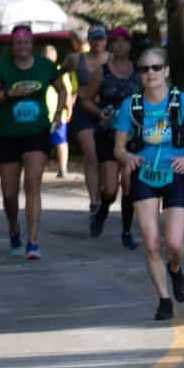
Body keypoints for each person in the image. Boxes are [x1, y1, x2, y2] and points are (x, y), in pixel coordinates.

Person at [114, 48, 184, 320]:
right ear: (139, 74)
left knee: (174, 244)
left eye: (156, 67)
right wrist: (128, 157)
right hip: (145, 174)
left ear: (166, 70)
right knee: (152, 242)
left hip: (176, 173)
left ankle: (176, 270)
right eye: (145, 69)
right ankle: (164, 299)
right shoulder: (131, 106)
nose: (151, 73)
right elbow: (118, 148)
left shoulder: (183, 102)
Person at [0, 24, 66, 259]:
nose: (22, 46)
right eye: (18, 42)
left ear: (32, 44)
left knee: (32, 184)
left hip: (36, 132)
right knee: (9, 194)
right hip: (6, 133)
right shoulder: (1, 66)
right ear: (12, 45)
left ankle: (32, 242)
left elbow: (61, 89)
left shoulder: (45, 66)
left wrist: (58, 115)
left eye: (26, 42)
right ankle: (13, 228)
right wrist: (9, 94)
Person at [84, 27, 141, 249]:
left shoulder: (139, 71)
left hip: (133, 136)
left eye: (123, 41)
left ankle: (126, 232)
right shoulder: (102, 72)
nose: (119, 45)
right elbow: (86, 99)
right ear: (110, 45)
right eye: (115, 41)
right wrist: (100, 113)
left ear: (129, 45)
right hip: (108, 134)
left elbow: (153, 96)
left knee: (129, 184)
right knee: (109, 189)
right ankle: (103, 209)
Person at [64, 22, 110, 234]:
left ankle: (103, 194)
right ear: (88, 40)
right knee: (91, 155)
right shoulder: (76, 59)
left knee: (105, 158)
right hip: (84, 113)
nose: (97, 42)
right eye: (94, 38)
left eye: (101, 38)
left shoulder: (112, 60)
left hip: (107, 113)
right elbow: (56, 73)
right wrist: (67, 93)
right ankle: (94, 202)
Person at [42, 44, 72, 179]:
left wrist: (69, 109)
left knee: (61, 141)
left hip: (58, 114)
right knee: (42, 143)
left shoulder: (59, 72)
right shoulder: (39, 72)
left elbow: (67, 92)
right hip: (42, 115)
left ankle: (62, 168)